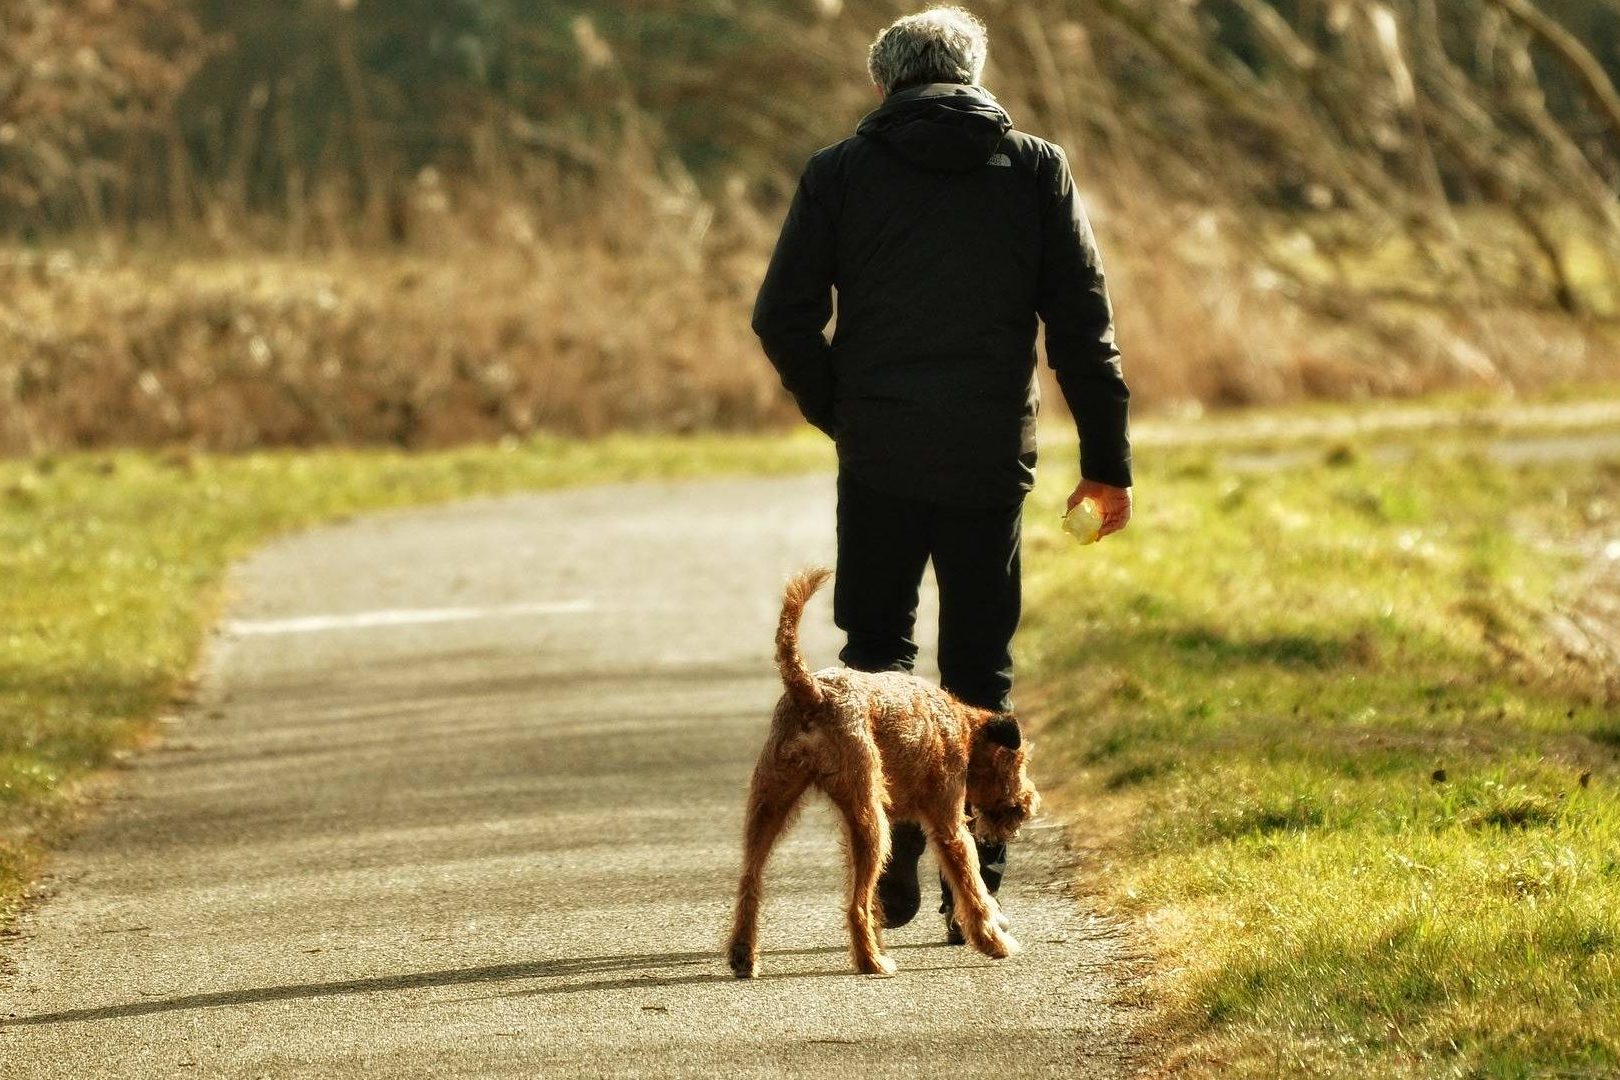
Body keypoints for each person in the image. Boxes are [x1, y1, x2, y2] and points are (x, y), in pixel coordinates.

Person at [750, 5, 1132, 943]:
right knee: (979, 662)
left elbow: (781, 316)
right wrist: (1106, 464)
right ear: (974, 75)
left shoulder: (840, 173)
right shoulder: (1034, 169)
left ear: (883, 84)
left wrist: (841, 410)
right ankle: (980, 881)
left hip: (879, 453)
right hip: (990, 452)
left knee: (876, 652)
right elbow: (1082, 326)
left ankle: (893, 866)